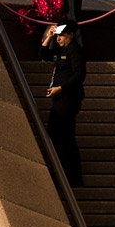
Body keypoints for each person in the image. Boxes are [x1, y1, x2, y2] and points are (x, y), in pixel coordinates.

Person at [39, 21, 86, 187]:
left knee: (64, 136)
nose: (59, 38)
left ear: (71, 34)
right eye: (57, 35)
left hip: (69, 98)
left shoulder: (75, 50)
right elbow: (44, 54)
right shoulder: (62, 51)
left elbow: (80, 75)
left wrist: (61, 88)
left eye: (61, 35)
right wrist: (49, 37)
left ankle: (71, 177)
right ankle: (68, 176)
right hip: (60, 99)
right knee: (58, 135)